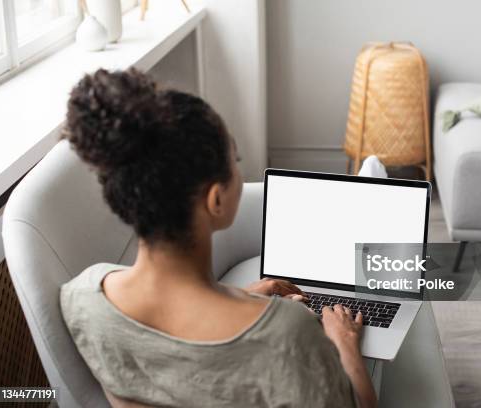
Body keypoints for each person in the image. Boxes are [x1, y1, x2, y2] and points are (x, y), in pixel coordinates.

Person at [60, 68, 377, 408]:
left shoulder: (82, 297)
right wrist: (343, 345)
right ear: (216, 200)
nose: (240, 174)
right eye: (235, 162)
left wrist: (240, 298)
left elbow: (174, 354)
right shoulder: (290, 334)